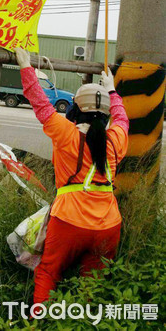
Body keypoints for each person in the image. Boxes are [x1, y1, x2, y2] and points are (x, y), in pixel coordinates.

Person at [15, 47, 129, 310]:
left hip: (69, 221)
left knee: (48, 272)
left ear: (76, 109)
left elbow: (40, 103)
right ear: (106, 113)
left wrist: (26, 67)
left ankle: (39, 324)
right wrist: (112, 90)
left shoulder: (65, 133)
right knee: (93, 282)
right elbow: (122, 118)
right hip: (109, 225)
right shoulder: (116, 140)